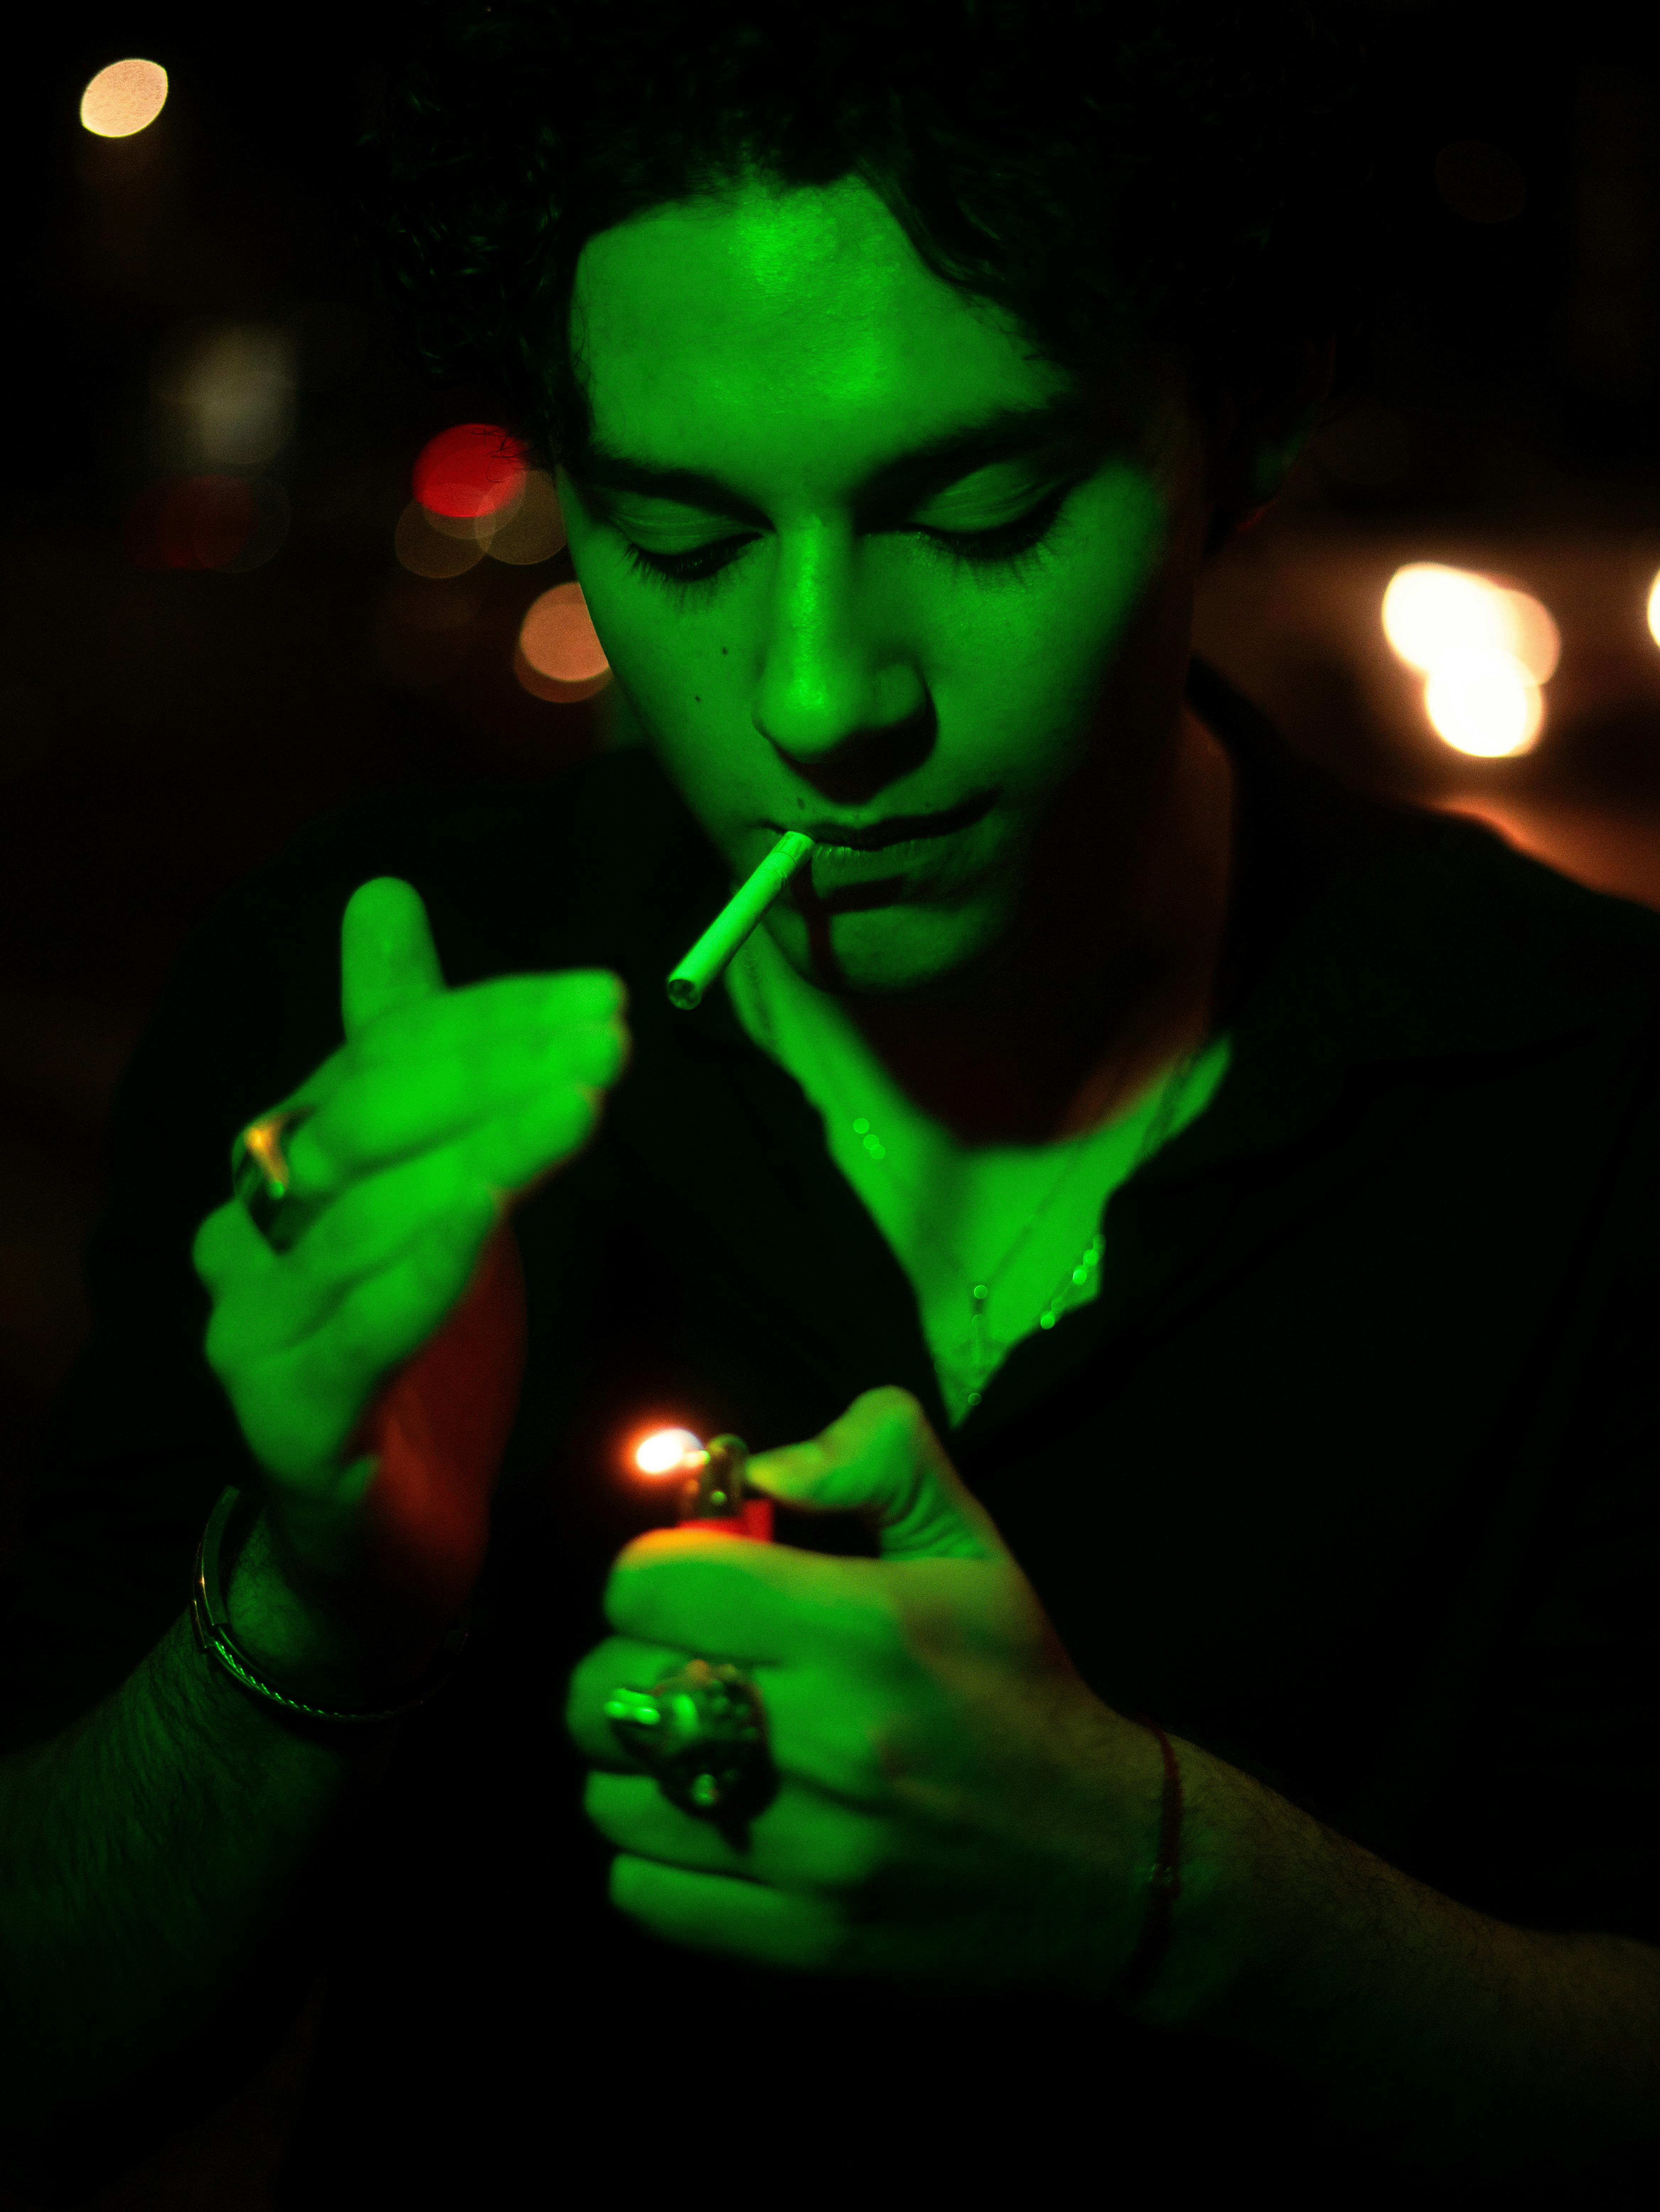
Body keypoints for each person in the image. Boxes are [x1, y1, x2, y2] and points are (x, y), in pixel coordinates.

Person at [2, 1, 1658, 2203]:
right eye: (679, 542)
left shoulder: (1596, 1097)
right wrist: (317, 1610)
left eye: (977, 515)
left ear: (1237, 444)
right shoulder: (359, 1033)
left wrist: (1183, 1901)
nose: (816, 701)